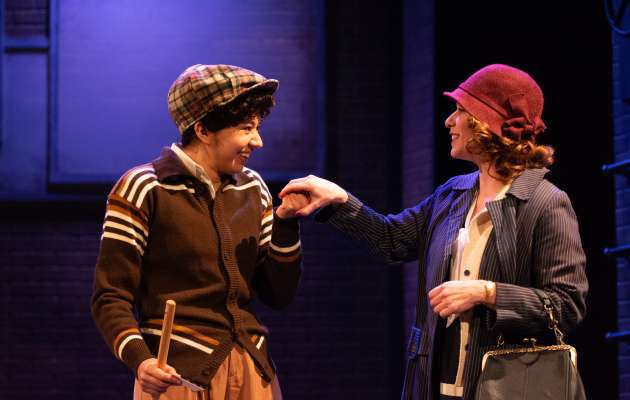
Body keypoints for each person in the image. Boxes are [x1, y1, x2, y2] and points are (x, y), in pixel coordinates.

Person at [279, 64, 588, 399]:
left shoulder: (545, 203)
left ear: (486, 122)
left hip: (505, 389)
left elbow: (566, 304)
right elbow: (391, 240)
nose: (449, 121)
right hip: (433, 386)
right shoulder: (452, 195)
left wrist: (486, 292)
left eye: (460, 110)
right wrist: (338, 199)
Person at [91, 64, 307, 400]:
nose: (258, 141)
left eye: (257, 127)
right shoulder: (145, 187)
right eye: (246, 128)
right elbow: (110, 296)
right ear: (203, 129)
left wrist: (286, 222)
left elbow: (278, 295)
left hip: (252, 368)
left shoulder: (253, 187)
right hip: (175, 376)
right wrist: (141, 360)